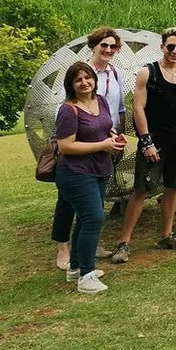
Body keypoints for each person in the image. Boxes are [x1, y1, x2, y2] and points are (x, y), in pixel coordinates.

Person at [111, 27, 176, 263]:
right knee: (141, 190)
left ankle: (166, 235)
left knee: (173, 187)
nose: (175, 51)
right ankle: (123, 242)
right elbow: (138, 108)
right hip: (154, 142)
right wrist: (146, 141)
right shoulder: (147, 72)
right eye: (171, 46)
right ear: (162, 47)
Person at [54, 27, 125, 271]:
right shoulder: (77, 79)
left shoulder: (112, 75)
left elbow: (117, 109)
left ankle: (79, 263)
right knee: (80, 210)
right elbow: (64, 123)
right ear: (93, 47)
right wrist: (98, 141)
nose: (108, 49)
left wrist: (112, 135)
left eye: (112, 46)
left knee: (90, 213)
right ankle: (71, 258)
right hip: (77, 155)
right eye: (103, 45)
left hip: (102, 152)